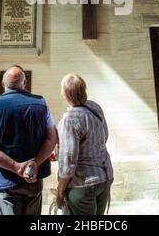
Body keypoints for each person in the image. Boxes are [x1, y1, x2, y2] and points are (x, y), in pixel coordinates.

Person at [0, 65, 58, 215]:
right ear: (24, 83)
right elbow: (52, 137)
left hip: (5, 181)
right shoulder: (41, 104)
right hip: (33, 178)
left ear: (3, 85)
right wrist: (35, 163)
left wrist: (17, 167)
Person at [56, 73, 114, 215]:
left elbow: (68, 162)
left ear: (65, 93)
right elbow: (104, 136)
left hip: (82, 184)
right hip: (104, 177)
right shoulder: (95, 108)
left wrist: (60, 190)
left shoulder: (69, 120)